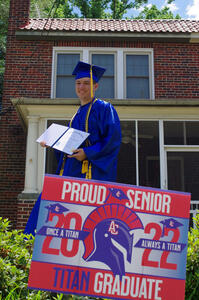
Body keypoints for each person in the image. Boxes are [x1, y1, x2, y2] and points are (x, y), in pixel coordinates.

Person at [24, 61, 121, 235]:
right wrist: (54, 143)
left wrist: (88, 153)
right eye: (78, 83)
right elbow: (72, 144)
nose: (81, 86)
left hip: (90, 172)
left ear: (96, 86)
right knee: (48, 204)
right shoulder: (77, 113)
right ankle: (32, 243)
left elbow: (112, 140)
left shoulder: (105, 108)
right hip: (70, 171)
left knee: (84, 214)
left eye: (86, 83)